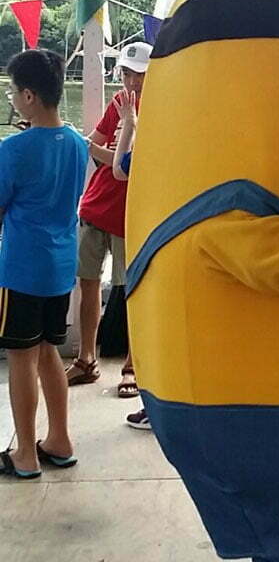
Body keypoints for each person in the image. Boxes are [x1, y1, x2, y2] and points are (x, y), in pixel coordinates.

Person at [0, 50, 86, 477]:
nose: (13, 99)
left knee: (21, 359)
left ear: (30, 96)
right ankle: (59, 439)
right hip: (60, 267)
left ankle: (25, 455)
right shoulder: (76, 142)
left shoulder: (13, 149)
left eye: (14, 93)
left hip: (22, 270)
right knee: (49, 351)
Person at [65, 41, 151, 398]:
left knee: (131, 290)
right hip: (95, 206)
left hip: (131, 214)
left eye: (138, 74)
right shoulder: (118, 103)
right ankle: (87, 358)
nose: (131, 82)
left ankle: (134, 365)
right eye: (127, 73)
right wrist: (108, 150)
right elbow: (100, 151)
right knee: (87, 284)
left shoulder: (161, 108)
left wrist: (109, 150)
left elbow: (129, 166)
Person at [109, 88, 148, 429]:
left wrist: (130, 125)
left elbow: (120, 169)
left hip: (154, 241)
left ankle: (156, 405)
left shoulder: (155, 142)